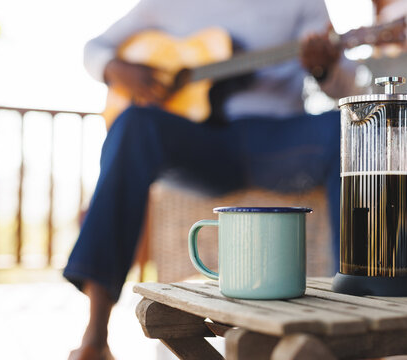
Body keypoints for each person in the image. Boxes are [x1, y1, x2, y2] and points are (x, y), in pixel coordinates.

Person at [64, 0, 364, 359]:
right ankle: (96, 336)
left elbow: (349, 85)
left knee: (346, 128)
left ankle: (352, 319)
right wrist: (115, 68)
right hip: (203, 144)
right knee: (132, 123)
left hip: (278, 141)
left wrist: (324, 67)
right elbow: (93, 48)